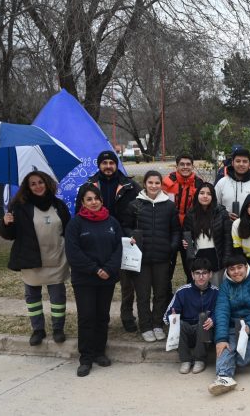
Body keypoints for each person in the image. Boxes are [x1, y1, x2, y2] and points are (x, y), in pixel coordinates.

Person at [0, 171, 70, 346]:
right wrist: (6, 224)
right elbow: (9, 235)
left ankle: (58, 329)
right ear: (28, 187)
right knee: (32, 297)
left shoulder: (59, 205)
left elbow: (68, 230)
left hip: (57, 258)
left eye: (40, 182)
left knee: (58, 298)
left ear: (47, 184)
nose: (37, 186)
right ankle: (38, 329)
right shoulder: (19, 207)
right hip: (31, 259)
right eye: (33, 184)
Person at [77, 150, 141, 333]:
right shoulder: (89, 185)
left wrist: (134, 233)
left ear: (116, 165)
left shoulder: (130, 185)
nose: (108, 166)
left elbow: (140, 211)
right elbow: (78, 212)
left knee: (127, 282)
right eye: (104, 163)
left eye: (111, 163)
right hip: (96, 239)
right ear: (99, 165)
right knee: (99, 278)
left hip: (123, 239)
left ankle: (127, 315)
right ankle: (97, 317)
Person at [64, 184, 122, 377]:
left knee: (102, 316)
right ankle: (86, 358)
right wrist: (96, 269)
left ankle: (99, 352)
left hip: (107, 278)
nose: (94, 202)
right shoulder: (75, 224)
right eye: (89, 199)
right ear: (82, 202)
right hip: (85, 279)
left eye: (96, 198)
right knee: (87, 317)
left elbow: (118, 249)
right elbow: (74, 254)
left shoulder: (112, 222)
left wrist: (108, 269)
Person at [122, 170, 181, 342]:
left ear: (161, 185)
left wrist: (171, 247)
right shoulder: (135, 205)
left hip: (162, 258)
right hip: (141, 259)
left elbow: (175, 230)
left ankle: (157, 324)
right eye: (150, 183)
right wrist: (131, 235)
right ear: (145, 184)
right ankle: (146, 326)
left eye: (157, 183)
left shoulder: (169, 206)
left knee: (161, 294)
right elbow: (125, 226)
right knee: (143, 294)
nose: (154, 186)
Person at [208, 255, 250, 396]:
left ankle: (237, 361)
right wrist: (221, 339)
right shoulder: (225, 286)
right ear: (227, 271)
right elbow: (222, 312)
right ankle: (224, 378)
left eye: (239, 267)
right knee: (224, 344)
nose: (236, 272)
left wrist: (249, 327)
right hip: (233, 327)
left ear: (246, 266)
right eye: (232, 269)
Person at [164, 258, 218, 374]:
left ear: (210, 275)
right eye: (197, 273)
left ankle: (200, 360)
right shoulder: (182, 292)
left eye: (204, 273)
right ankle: (185, 360)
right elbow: (167, 316)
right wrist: (172, 317)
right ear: (192, 275)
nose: (201, 277)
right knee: (180, 323)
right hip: (187, 333)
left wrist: (213, 319)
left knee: (204, 319)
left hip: (205, 333)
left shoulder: (216, 292)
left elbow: (221, 312)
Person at [162, 153, 204, 285]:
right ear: (177, 166)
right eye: (182, 164)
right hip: (170, 230)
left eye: (188, 164)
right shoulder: (167, 182)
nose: (185, 167)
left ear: (192, 166)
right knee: (166, 268)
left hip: (189, 230)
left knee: (191, 266)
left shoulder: (199, 183)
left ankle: (192, 297)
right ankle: (166, 300)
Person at [182, 182, 232, 286]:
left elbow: (228, 239)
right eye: (202, 193)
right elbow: (186, 235)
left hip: (217, 260)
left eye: (209, 194)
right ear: (197, 195)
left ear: (213, 196)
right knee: (199, 292)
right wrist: (184, 242)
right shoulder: (190, 214)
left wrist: (226, 261)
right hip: (197, 260)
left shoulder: (221, 213)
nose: (205, 196)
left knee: (216, 291)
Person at [215, 147, 250, 221]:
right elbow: (213, 205)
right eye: (238, 161)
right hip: (226, 229)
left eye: (245, 161)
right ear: (232, 163)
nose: (241, 164)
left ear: (249, 164)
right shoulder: (222, 183)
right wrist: (225, 215)